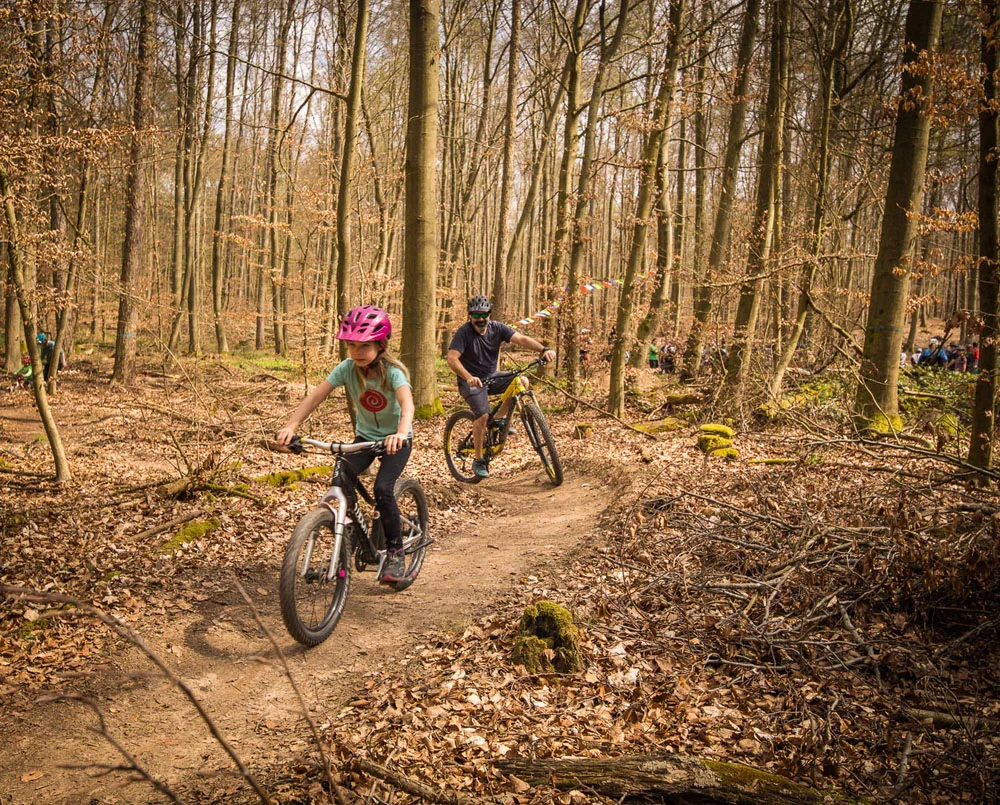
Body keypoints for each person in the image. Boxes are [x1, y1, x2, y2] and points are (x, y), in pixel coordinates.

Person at [276, 306, 414, 583]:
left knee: (383, 488)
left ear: (380, 344)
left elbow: (407, 404)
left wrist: (400, 432)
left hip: (395, 442)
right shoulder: (347, 369)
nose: (356, 352)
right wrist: (291, 426)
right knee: (340, 480)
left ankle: (396, 551)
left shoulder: (393, 372)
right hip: (364, 439)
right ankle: (350, 532)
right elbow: (315, 397)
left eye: (364, 346)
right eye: (351, 345)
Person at [447, 295, 555, 479]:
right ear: (470, 316)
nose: (480, 319)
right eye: (475, 315)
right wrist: (468, 377)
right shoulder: (463, 333)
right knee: (481, 416)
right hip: (471, 382)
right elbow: (452, 358)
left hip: (492, 377)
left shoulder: (497, 328)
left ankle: (499, 418)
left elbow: (521, 339)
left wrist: (543, 349)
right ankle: (479, 459)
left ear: (490, 314)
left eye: (484, 315)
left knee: (522, 381)